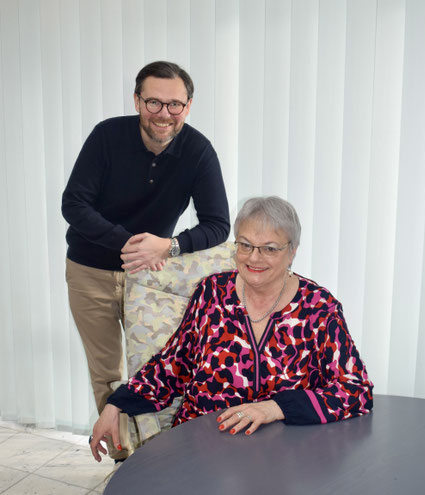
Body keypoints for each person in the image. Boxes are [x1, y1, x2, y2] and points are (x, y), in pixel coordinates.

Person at [90, 196, 373, 462]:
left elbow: (355, 389)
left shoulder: (319, 308)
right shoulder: (212, 293)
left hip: (284, 456)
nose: (254, 258)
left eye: (269, 248)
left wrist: (276, 408)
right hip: (203, 448)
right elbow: (174, 364)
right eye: (245, 245)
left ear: (292, 252)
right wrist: (118, 403)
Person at [62, 61, 230, 459]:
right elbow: (74, 204)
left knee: (158, 368)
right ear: (137, 101)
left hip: (153, 277)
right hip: (90, 271)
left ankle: (160, 459)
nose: (164, 113)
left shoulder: (198, 151)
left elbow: (218, 224)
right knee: (106, 375)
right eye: (154, 102)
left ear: (188, 106)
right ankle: (125, 462)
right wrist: (131, 243)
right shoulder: (107, 136)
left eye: (175, 105)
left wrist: (169, 247)